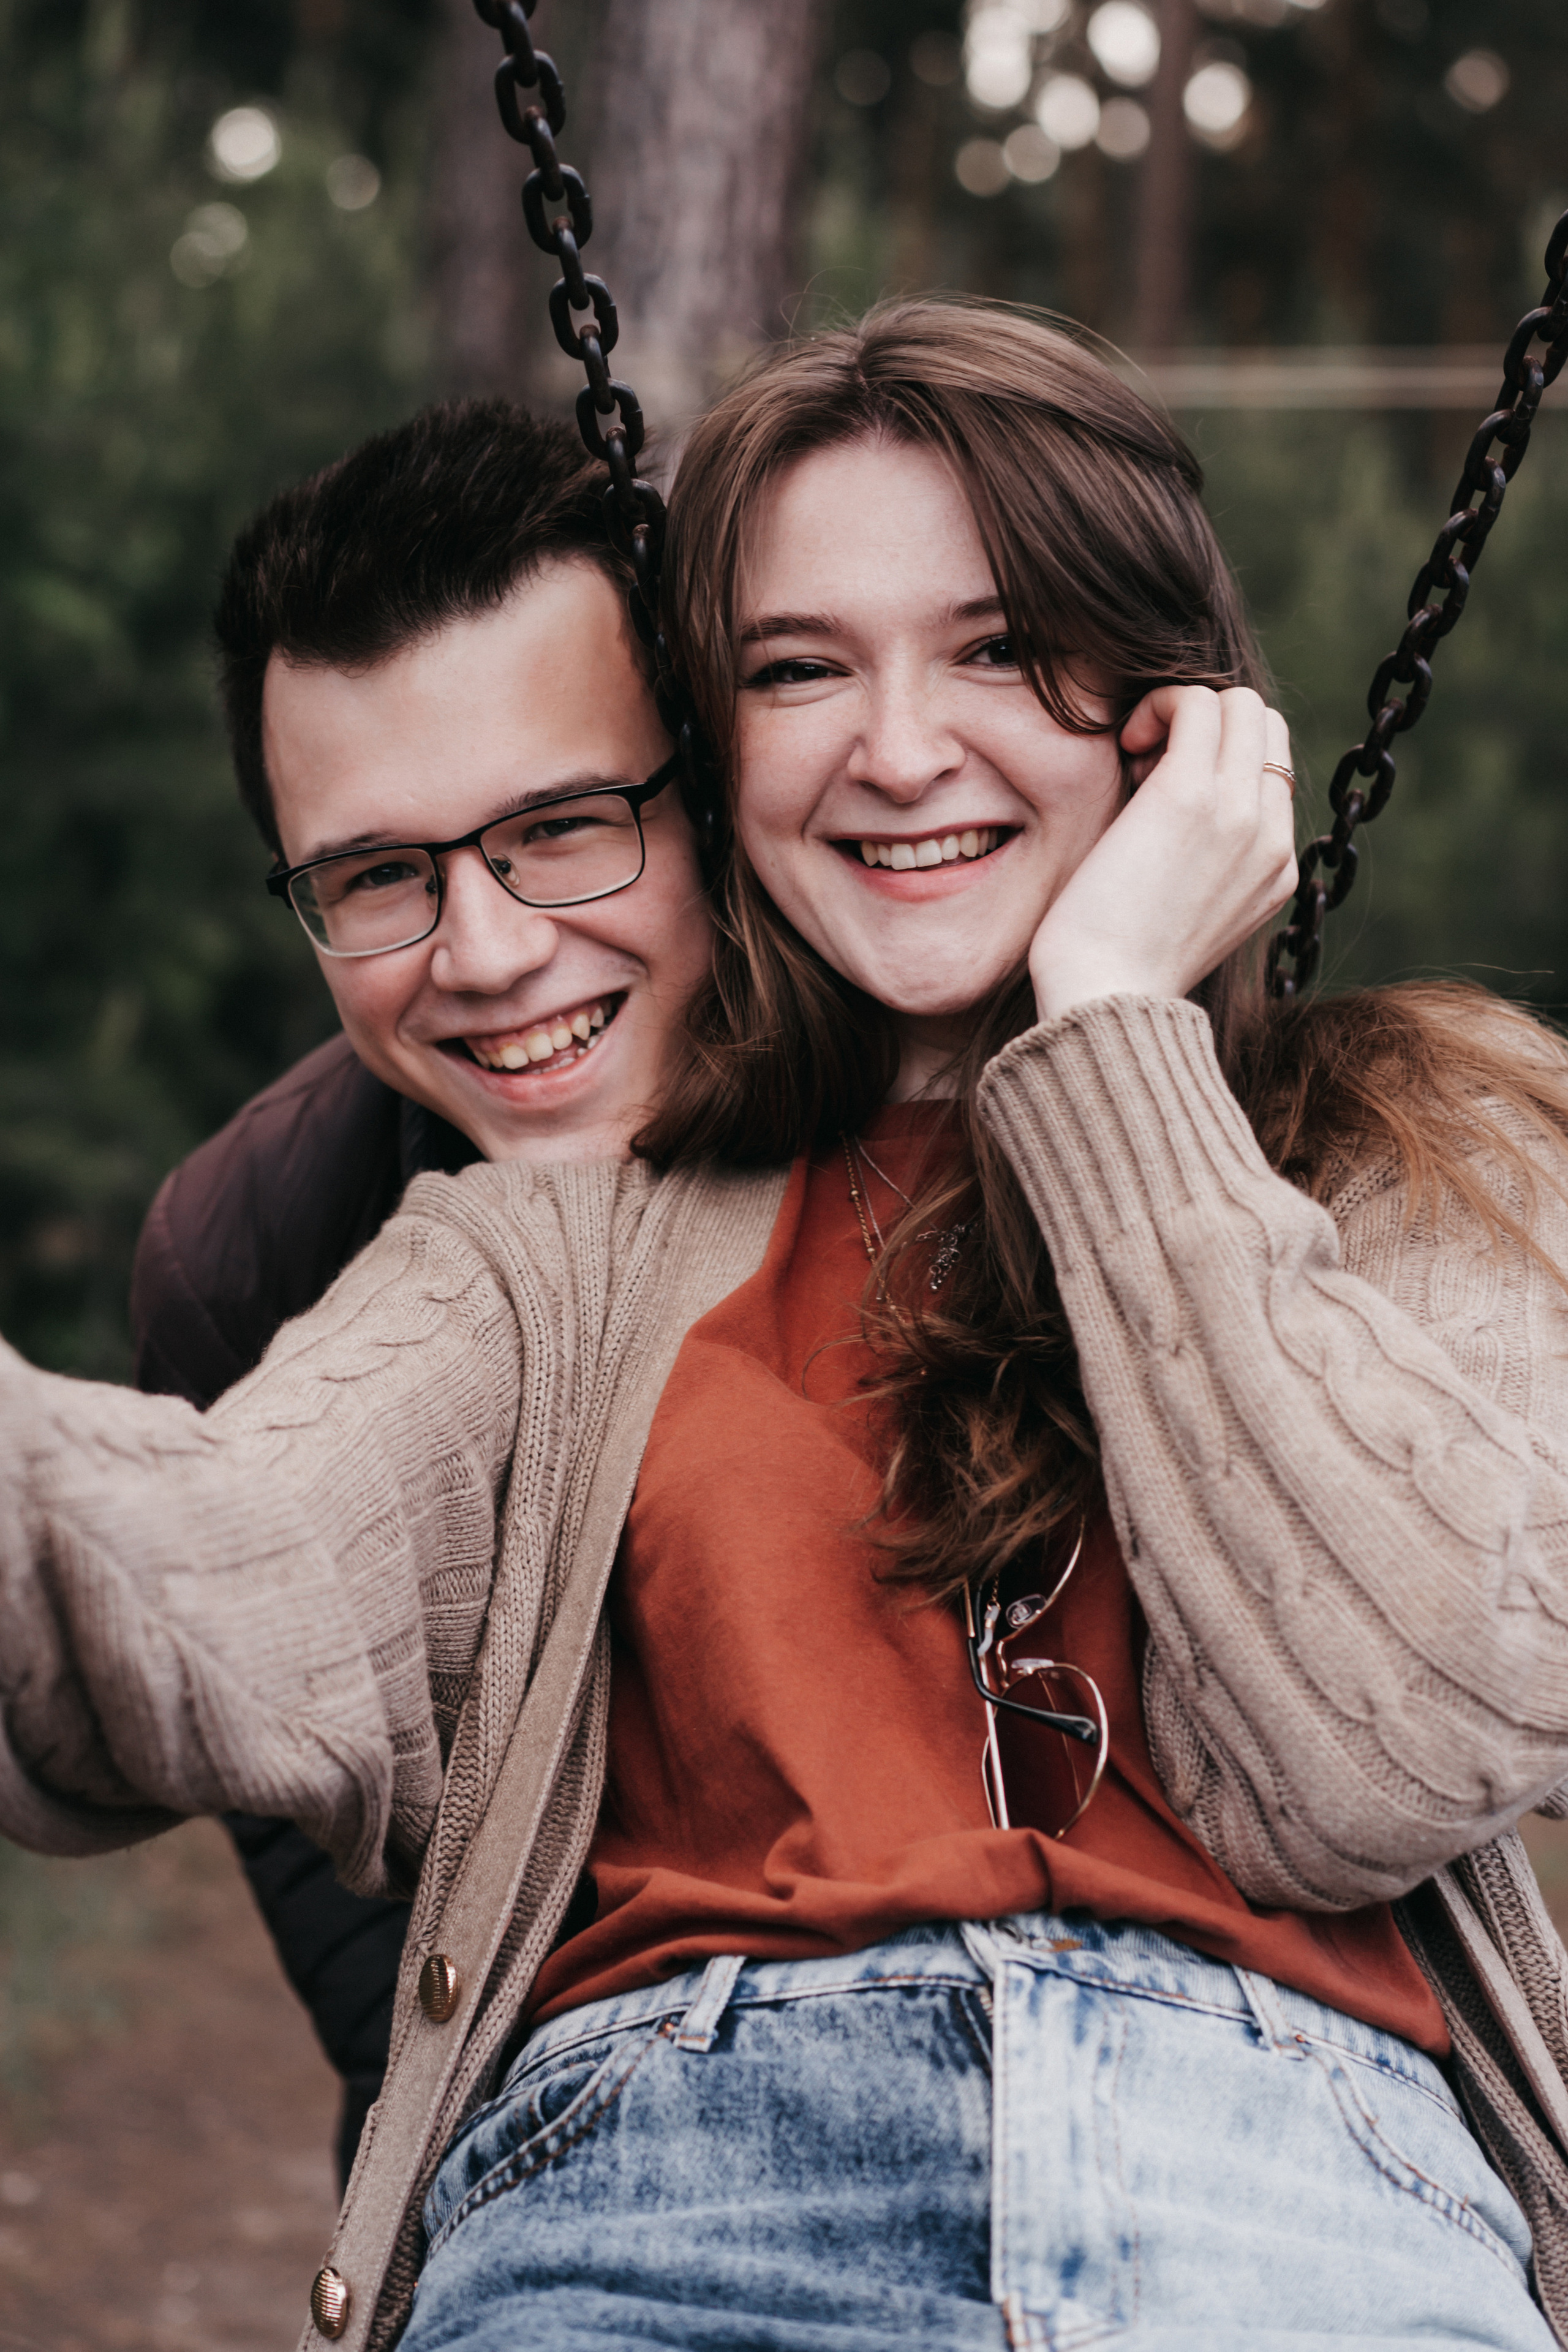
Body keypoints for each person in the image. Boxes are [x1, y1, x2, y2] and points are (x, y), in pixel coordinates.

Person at [6, 300, 1568, 2352]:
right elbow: (221, 1563)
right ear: (721, 751)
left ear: (1179, 716)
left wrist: (1113, 1022)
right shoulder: (558, 1252)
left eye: (996, 647)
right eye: (800, 669)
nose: (897, 750)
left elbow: (1390, 1749)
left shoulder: (1426, 1146)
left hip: (1299, 2204)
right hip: (669, 2196)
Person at [129, 396, 714, 2187]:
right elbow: (360, 1932)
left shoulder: (953, 1088)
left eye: (563, 825)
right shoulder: (248, 1253)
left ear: (710, 785)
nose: (490, 952)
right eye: (379, 874)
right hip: (538, 2146)